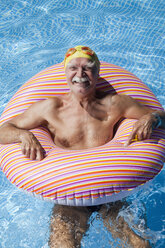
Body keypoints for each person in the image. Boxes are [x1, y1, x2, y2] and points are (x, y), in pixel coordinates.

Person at [0, 45, 164, 247]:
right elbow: (3, 129)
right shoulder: (50, 108)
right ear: (65, 72)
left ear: (97, 72)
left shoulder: (115, 104)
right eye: (74, 68)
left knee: (140, 244)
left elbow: (161, 116)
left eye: (88, 68)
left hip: (111, 192)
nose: (80, 74)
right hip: (69, 198)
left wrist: (153, 118)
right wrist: (22, 135)